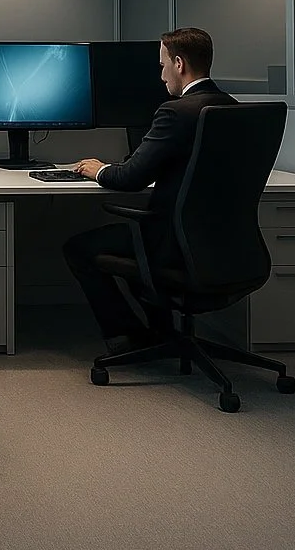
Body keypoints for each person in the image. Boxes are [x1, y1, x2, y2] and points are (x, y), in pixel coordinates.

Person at [61, 28, 236, 353]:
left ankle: (127, 336)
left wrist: (98, 169)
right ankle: (162, 332)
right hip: (227, 245)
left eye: (162, 65)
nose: (161, 75)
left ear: (179, 64)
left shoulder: (175, 112)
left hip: (175, 244)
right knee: (137, 241)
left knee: (78, 248)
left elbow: (130, 178)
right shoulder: (235, 110)